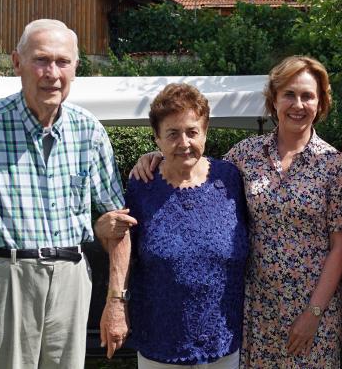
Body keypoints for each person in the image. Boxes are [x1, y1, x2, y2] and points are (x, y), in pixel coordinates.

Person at [121, 56, 342, 368]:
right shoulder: (245, 155)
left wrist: (314, 312)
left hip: (311, 307)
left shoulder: (333, 165)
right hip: (254, 309)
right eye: (289, 95)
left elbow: (340, 247)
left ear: (321, 102)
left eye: (308, 95)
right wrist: (156, 156)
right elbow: (195, 165)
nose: (298, 104)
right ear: (274, 99)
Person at [0, 19, 132, 368]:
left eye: (63, 62)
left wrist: (116, 302)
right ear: (17, 62)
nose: (52, 73)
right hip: (2, 279)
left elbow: (117, 223)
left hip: (71, 279)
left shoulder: (90, 131)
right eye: (41, 59)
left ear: (76, 68)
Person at [100, 83, 249, 368]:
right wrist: (115, 303)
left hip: (224, 339)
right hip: (160, 340)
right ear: (156, 138)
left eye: (192, 132)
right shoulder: (142, 184)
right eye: (172, 133)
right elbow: (121, 243)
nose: (184, 142)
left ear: (205, 133)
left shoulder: (230, 179)